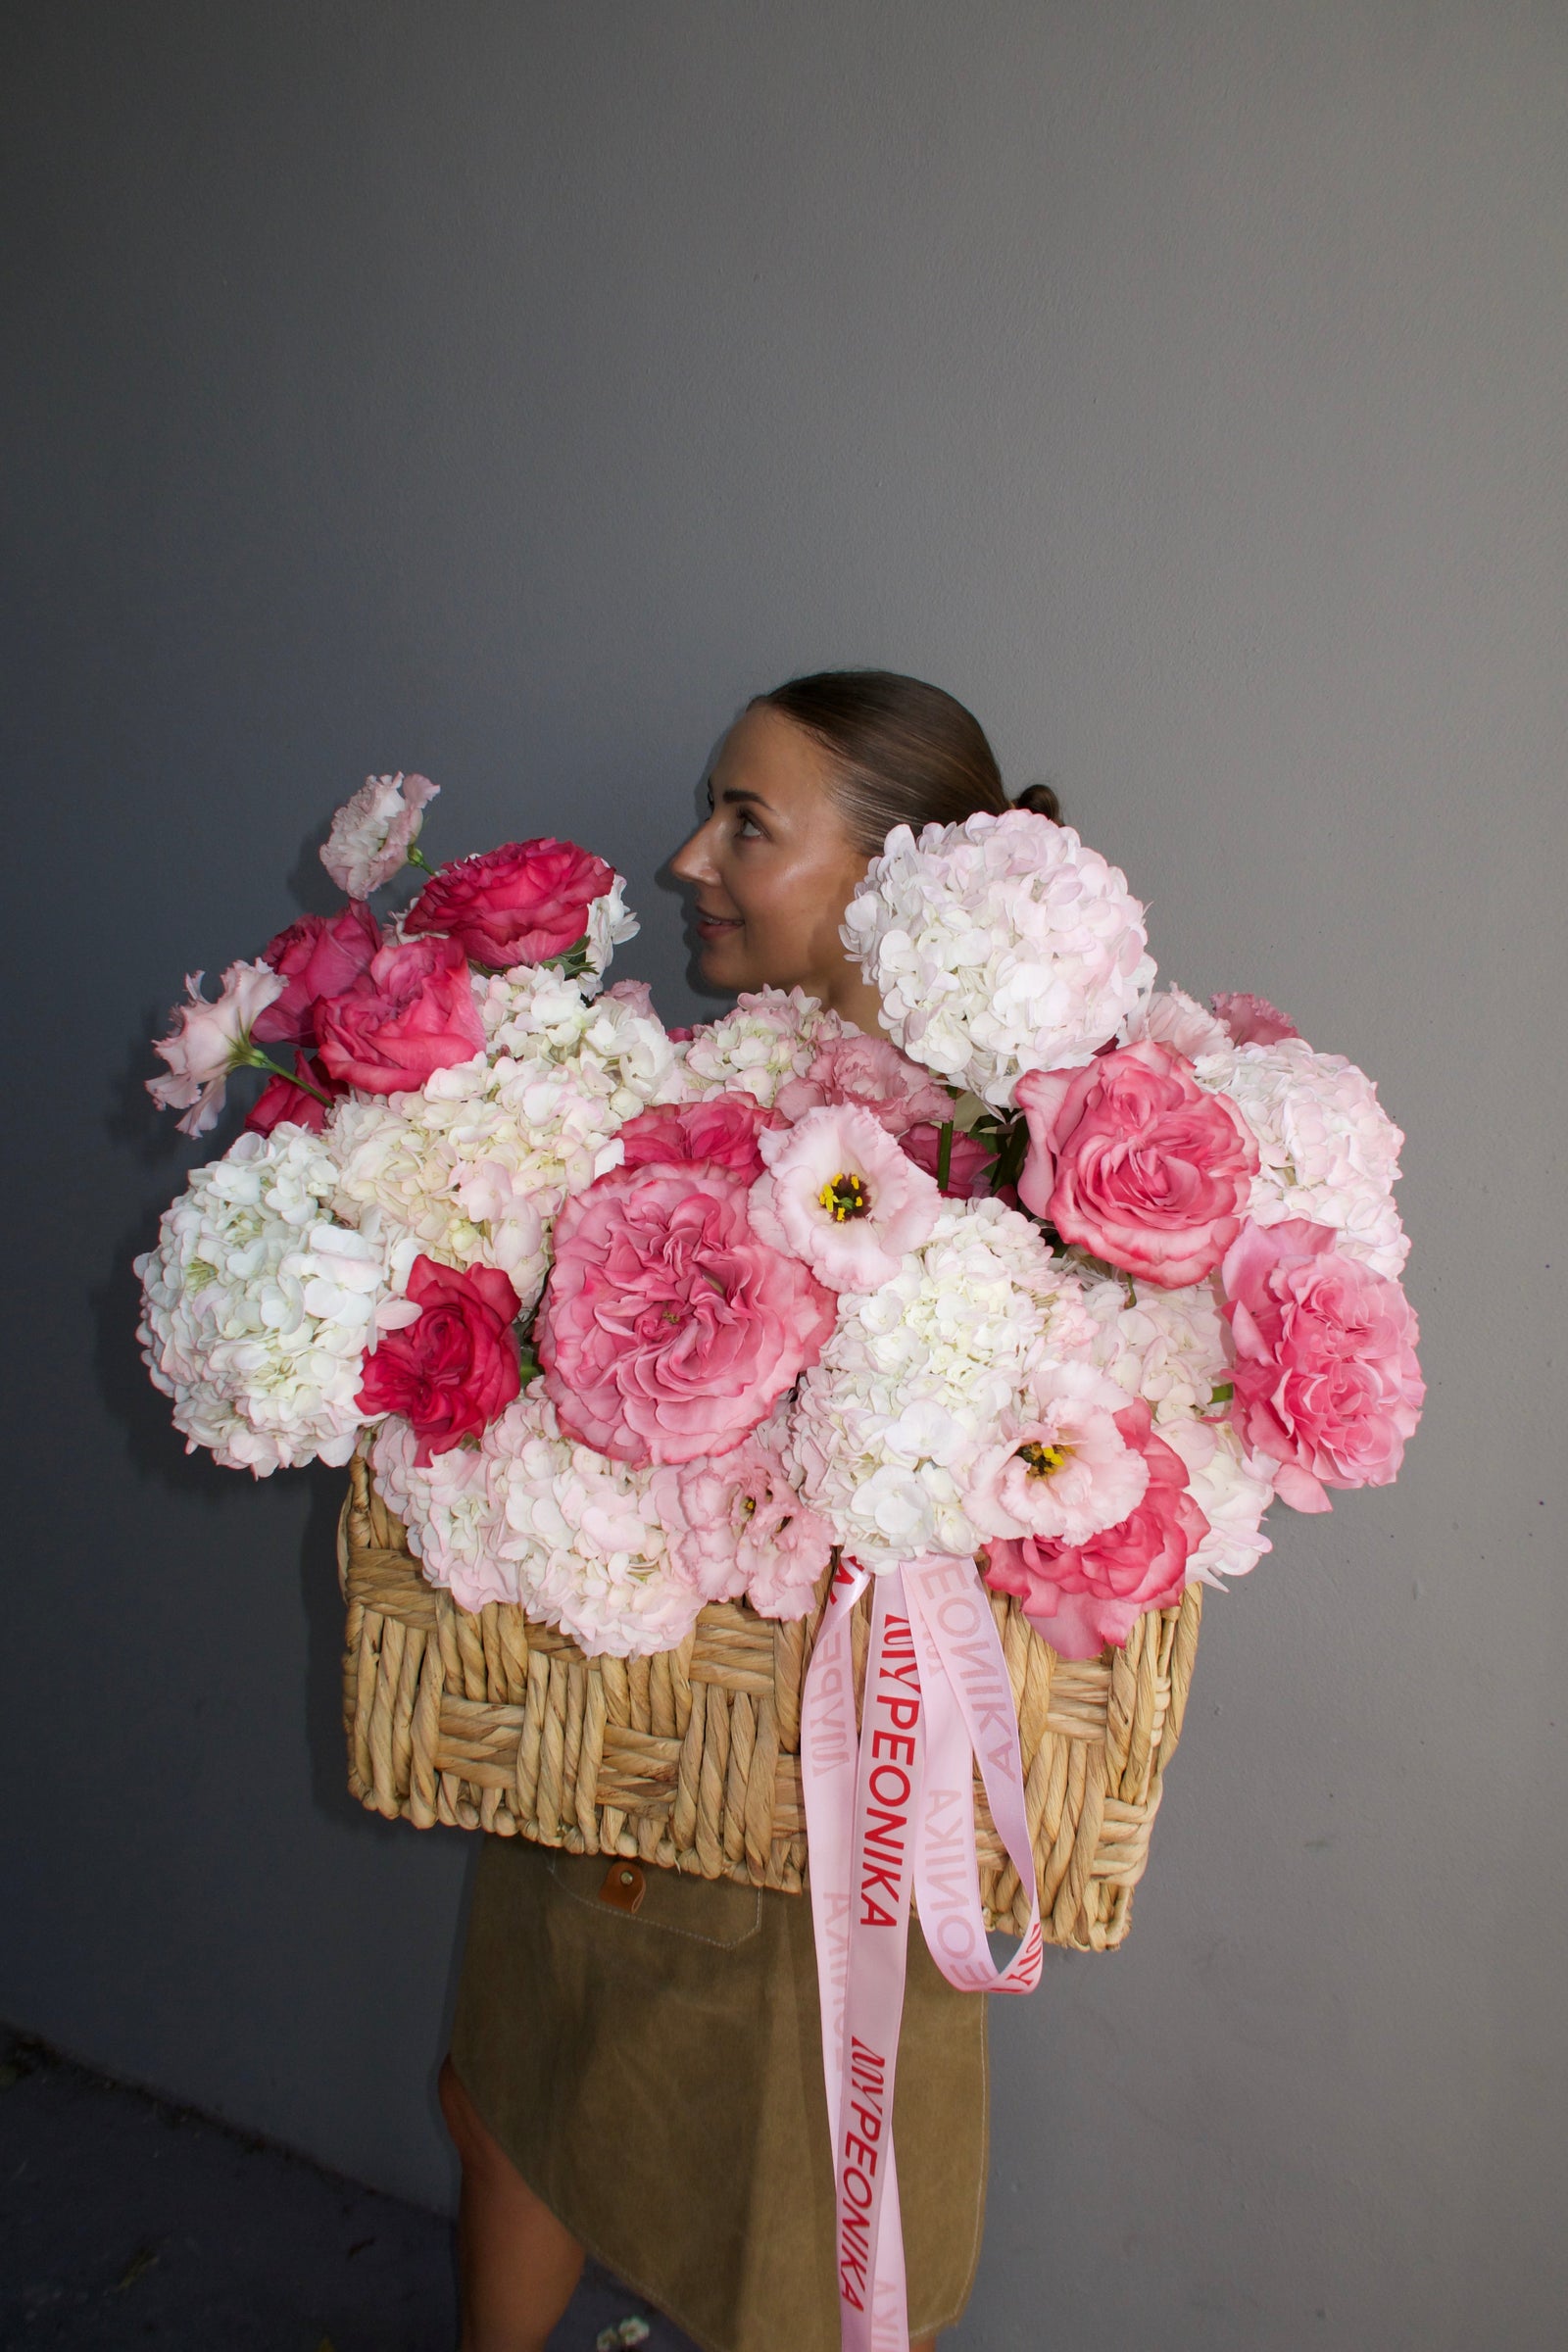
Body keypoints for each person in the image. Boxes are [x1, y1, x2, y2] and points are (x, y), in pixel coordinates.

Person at [437, 670, 1060, 2352]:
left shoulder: (1006, 1159)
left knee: (793, 2202)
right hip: (623, 1719)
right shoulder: (700, 1093)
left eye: (747, 823)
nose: (687, 855)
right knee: (509, 2088)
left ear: (891, 873)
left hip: (810, 1799)